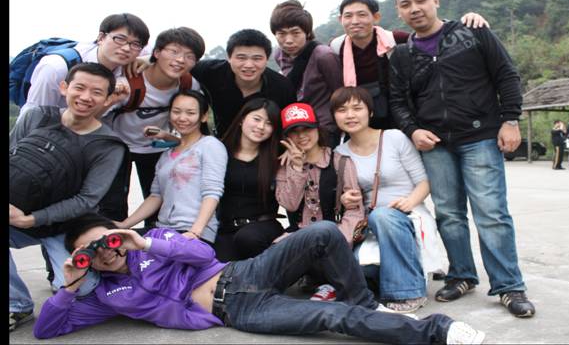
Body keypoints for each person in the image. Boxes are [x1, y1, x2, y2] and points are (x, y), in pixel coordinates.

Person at [33, 213, 486, 345]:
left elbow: (202, 253)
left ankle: (368, 302)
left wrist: (143, 242)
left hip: (241, 272)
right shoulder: (104, 295)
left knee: (323, 233)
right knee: (332, 317)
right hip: (240, 310)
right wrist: (71, 283)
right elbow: (46, 330)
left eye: (106, 240)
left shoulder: (153, 241)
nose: (103, 251)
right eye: (91, 251)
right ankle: (437, 332)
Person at [388, 0, 535, 318]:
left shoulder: (473, 32)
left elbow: (506, 75)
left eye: (421, 0)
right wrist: (413, 130)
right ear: (399, 11)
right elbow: (398, 102)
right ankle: (462, 275)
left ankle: (509, 286)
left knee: (491, 213)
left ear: (436, 1)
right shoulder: (402, 55)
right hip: (435, 143)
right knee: (449, 214)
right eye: (406, 4)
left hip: (479, 136)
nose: (415, 9)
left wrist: (510, 119)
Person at [9, 63, 126, 332]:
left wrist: (31, 219)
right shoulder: (36, 116)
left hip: (65, 226)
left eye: (96, 92)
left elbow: (87, 200)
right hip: (19, 213)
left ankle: (74, 270)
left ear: (108, 99)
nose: (86, 97)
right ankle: (16, 304)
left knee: (81, 290)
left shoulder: (108, 146)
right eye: (79, 88)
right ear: (64, 88)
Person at [331, 87, 443, 313]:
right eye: (342, 110)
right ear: (334, 116)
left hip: (408, 216)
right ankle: (396, 277)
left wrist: (409, 202)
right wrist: (345, 198)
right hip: (370, 225)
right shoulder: (340, 152)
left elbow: (424, 181)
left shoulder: (394, 138)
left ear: (370, 112)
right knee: (363, 270)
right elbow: (347, 193)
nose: (350, 115)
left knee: (383, 216)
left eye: (357, 108)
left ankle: (409, 292)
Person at [330, 0, 489, 130]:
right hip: (360, 118)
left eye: (362, 15)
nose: (355, 21)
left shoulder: (397, 40)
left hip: (402, 115)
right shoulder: (337, 48)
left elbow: (433, 38)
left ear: (376, 17)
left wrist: (466, 22)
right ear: (340, 19)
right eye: (348, 16)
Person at [103, 27, 205, 227]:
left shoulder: (189, 84)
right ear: (157, 53)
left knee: (160, 206)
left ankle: (153, 242)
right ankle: (111, 239)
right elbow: (95, 116)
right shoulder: (128, 83)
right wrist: (111, 99)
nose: (180, 60)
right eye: (173, 52)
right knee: (112, 205)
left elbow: (193, 124)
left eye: (189, 56)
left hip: (156, 147)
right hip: (117, 146)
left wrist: (170, 137)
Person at [275, 102, 365, 300]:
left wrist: (340, 238)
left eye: (306, 129)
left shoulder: (340, 161)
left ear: (317, 128)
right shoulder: (284, 165)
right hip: (301, 239)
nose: (301, 136)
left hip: (335, 239)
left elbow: (355, 210)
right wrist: (296, 168)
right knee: (273, 254)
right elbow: (289, 205)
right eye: (294, 132)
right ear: (287, 137)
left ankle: (328, 284)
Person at [116, 90, 228, 244]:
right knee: (112, 241)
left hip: (192, 231)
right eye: (176, 111)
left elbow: (212, 191)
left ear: (203, 116)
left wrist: (195, 232)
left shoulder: (210, 145)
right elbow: (156, 196)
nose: (182, 118)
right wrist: (124, 225)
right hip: (163, 230)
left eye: (190, 113)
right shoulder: (166, 154)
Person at [18, 13, 150, 121]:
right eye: (119, 39)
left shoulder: (132, 55)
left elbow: (160, 52)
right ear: (101, 38)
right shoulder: (57, 67)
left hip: (85, 130)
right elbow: (32, 116)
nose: (126, 48)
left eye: (135, 44)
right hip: (48, 131)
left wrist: (150, 59)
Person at [213, 98, 285, 261]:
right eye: (257, 119)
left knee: (247, 238)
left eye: (268, 123)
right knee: (218, 265)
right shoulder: (219, 152)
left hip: (263, 227)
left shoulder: (278, 158)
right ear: (241, 119)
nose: (261, 127)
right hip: (226, 228)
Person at [191, 29, 296, 137]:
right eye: (241, 58)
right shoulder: (210, 72)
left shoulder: (282, 87)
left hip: (264, 143)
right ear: (229, 57)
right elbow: (185, 69)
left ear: (267, 59)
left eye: (257, 58)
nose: (249, 65)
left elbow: (290, 125)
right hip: (221, 141)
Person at [270, 0, 343, 146]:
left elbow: (339, 91)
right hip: (296, 126)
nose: (288, 40)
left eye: (295, 33)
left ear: (307, 32)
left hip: (323, 127)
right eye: (281, 34)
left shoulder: (323, 56)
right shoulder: (279, 54)